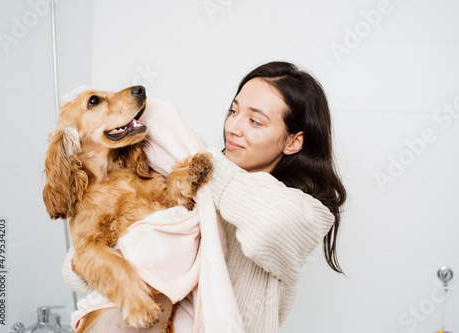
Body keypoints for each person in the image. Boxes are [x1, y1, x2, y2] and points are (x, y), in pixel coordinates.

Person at [63, 61, 346, 332]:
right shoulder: (191, 176)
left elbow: (271, 224)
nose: (233, 128)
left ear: (293, 141)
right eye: (233, 112)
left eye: (255, 121)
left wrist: (198, 155)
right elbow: (75, 268)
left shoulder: (308, 212)